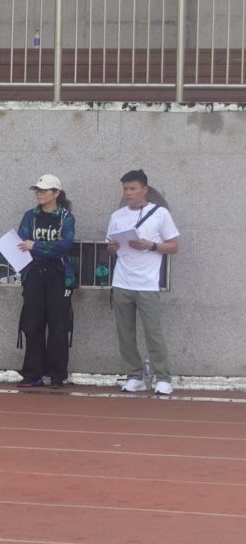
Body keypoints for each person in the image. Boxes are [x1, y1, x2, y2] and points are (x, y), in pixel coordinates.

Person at [107, 168, 180, 397]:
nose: (128, 193)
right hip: (122, 282)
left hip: (147, 284)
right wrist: (113, 247)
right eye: (125, 189)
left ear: (144, 189)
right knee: (125, 334)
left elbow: (174, 246)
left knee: (153, 333)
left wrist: (151, 245)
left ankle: (163, 378)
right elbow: (109, 247)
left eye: (132, 188)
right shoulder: (117, 216)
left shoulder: (160, 214)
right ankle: (134, 376)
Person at [14, 174, 76, 390]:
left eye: (44, 190)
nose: (39, 194)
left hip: (59, 275)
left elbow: (66, 245)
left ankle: (57, 375)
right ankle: (33, 374)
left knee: (59, 326)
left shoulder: (66, 217)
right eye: (37, 190)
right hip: (33, 274)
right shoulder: (30, 216)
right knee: (32, 324)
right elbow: (21, 243)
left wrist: (37, 246)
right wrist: (37, 248)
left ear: (56, 193)